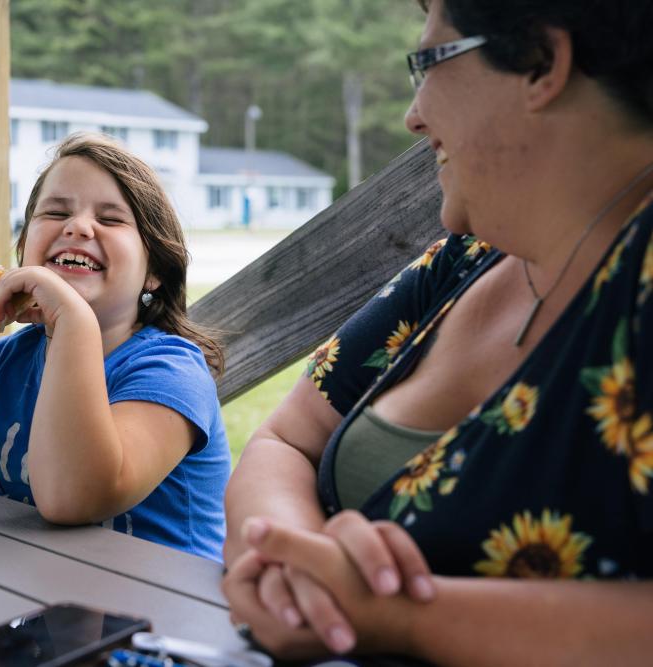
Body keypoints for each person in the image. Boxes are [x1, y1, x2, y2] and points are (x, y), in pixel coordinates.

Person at [221, 0, 653, 663]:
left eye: (428, 61)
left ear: (542, 61)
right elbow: (285, 437)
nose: (413, 113)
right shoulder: (466, 257)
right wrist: (293, 557)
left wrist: (399, 615)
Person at [0, 133, 230, 561]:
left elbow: (75, 499)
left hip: (167, 617)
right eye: (55, 212)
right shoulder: (10, 362)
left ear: (154, 273)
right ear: (24, 251)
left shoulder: (172, 372)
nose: (78, 226)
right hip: (46, 604)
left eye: (110, 219)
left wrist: (71, 322)